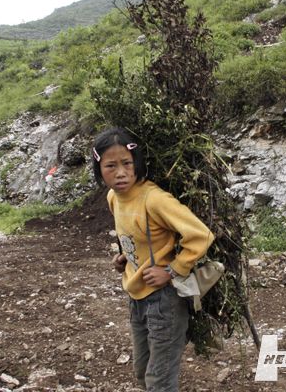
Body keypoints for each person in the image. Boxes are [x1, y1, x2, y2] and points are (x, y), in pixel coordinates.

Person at [92, 127, 214, 391]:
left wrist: (171, 270)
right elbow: (134, 234)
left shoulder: (154, 199)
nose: (121, 172)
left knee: (159, 379)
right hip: (136, 297)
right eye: (111, 166)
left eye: (126, 163)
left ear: (137, 162)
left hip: (164, 300)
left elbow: (201, 235)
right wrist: (125, 257)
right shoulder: (114, 197)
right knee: (142, 372)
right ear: (99, 169)